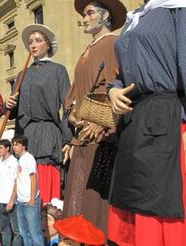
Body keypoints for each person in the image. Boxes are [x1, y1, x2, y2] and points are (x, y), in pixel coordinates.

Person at [107, 1, 186, 245]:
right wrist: (114, 91)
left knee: (160, 202)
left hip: (167, 117)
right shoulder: (134, 18)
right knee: (133, 199)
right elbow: (121, 73)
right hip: (134, 121)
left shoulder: (178, 8)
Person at [61, 0, 127, 235]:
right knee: (77, 203)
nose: (85, 18)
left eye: (90, 13)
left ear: (105, 15)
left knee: (97, 208)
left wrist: (99, 118)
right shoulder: (85, 52)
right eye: (84, 14)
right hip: (81, 136)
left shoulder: (116, 43)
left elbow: (118, 88)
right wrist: (72, 115)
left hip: (104, 137)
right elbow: (72, 96)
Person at [5, 24, 72, 205]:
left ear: (48, 45)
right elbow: (13, 111)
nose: (33, 45)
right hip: (25, 134)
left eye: (38, 41)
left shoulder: (58, 70)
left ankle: (49, 230)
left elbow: (68, 107)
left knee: (43, 189)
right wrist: (9, 105)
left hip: (47, 134)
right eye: (30, 42)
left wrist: (68, 139)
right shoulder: (22, 74)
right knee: (24, 185)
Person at [12, 135, 44, 246]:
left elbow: (33, 178)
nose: (14, 147)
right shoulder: (20, 159)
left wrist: (32, 199)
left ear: (24, 145)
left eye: (17, 144)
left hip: (29, 201)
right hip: (20, 201)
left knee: (35, 234)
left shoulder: (29, 158)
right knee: (24, 233)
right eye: (13, 145)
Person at [0, 139, 21, 246]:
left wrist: (12, 201)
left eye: (0, 148)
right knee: (4, 229)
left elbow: (17, 182)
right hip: (0, 201)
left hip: (11, 202)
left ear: (7, 148)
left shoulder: (15, 162)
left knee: (16, 231)